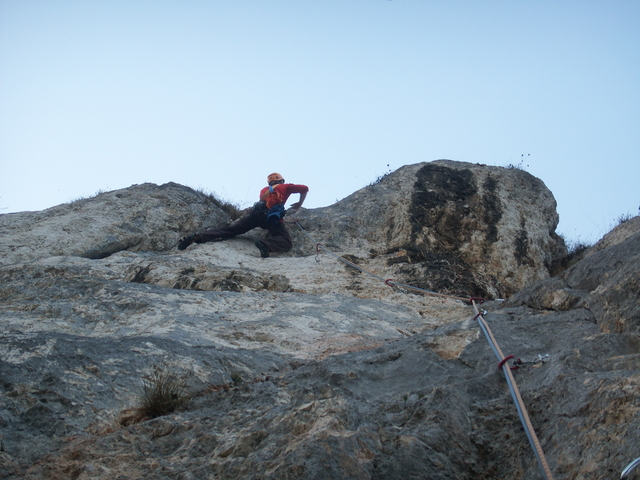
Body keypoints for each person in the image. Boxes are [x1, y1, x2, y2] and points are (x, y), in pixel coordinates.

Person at [177, 173, 308, 257]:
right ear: (282, 180)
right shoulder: (286, 187)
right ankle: (265, 245)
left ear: (270, 183)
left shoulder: (264, 190)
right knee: (286, 241)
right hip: (271, 218)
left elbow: (263, 202)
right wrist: (299, 204)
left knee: (230, 230)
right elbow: (305, 189)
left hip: (255, 214)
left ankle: (198, 237)